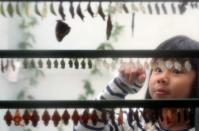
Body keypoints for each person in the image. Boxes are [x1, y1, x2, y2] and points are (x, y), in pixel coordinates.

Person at [74, 35, 199, 131]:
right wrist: (121, 86)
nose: (162, 78)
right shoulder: (134, 120)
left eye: (176, 71)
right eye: (158, 69)